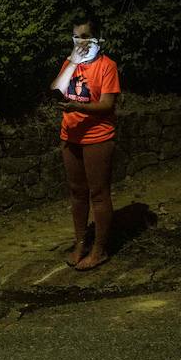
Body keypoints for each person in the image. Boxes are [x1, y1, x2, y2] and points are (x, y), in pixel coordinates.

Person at [52, 16, 121, 271]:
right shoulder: (72, 64)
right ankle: (80, 242)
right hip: (70, 136)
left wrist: (77, 106)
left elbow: (107, 104)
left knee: (98, 193)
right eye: (75, 37)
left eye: (84, 36)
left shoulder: (107, 66)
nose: (79, 41)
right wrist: (72, 61)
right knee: (76, 191)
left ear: (97, 39)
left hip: (97, 137)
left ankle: (99, 249)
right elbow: (57, 87)